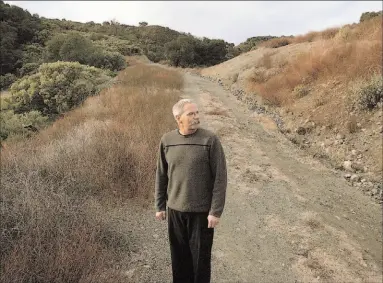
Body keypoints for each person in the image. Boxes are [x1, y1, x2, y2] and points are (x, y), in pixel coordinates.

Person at [155, 98, 227, 283]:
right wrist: (160, 205)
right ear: (178, 118)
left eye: (197, 112)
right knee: (179, 260)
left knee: (200, 263)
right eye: (191, 114)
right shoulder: (167, 140)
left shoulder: (210, 140)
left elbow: (220, 178)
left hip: (201, 213)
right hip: (175, 211)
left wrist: (215, 211)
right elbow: (161, 175)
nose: (196, 117)